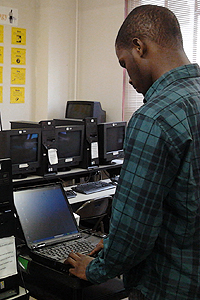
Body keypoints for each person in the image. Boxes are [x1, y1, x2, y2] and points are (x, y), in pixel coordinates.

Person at [66, 5, 200, 299]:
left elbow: (136, 231)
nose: (127, 76)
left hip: (167, 285)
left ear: (139, 47)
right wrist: (114, 241)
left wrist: (96, 269)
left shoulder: (154, 116)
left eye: (124, 63)